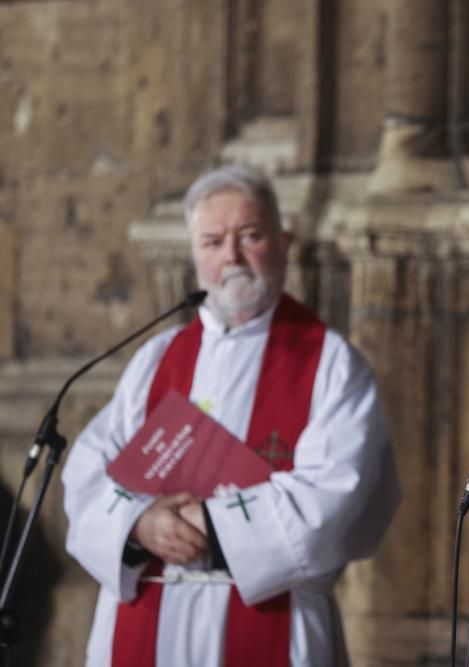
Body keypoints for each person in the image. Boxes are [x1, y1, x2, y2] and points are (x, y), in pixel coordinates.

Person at [62, 164, 400, 666]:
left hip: (271, 621)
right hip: (143, 613)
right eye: (212, 242)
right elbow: (88, 475)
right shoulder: (157, 359)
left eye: (250, 236)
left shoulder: (329, 362)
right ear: (195, 257)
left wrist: (211, 524)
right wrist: (138, 521)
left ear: (283, 243)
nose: (231, 257)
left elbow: (334, 495)